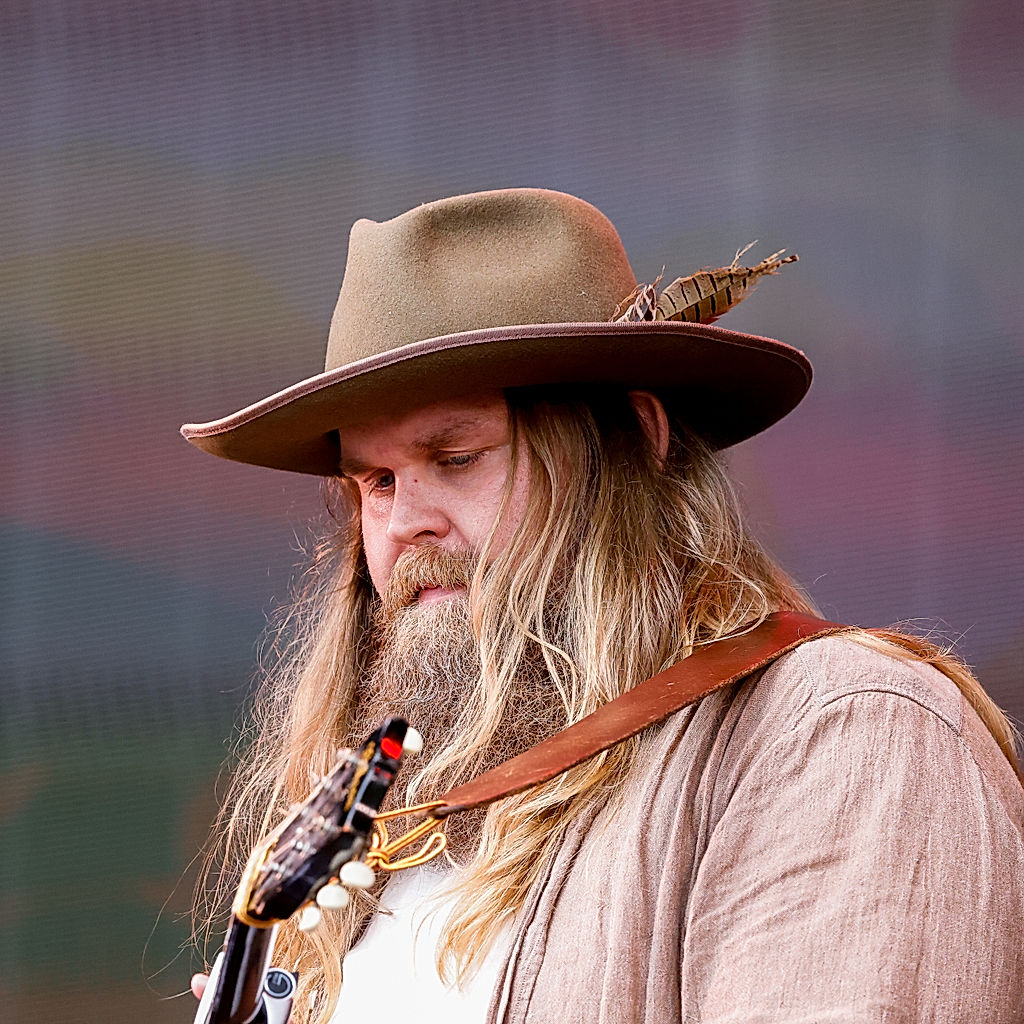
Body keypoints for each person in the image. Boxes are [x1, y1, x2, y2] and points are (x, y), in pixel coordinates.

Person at [182, 188, 1024, 1023]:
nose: (406, 523)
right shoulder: (365, 830)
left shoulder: (845, 736)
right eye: (377, 480)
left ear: (635, 440)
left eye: (460, 457)